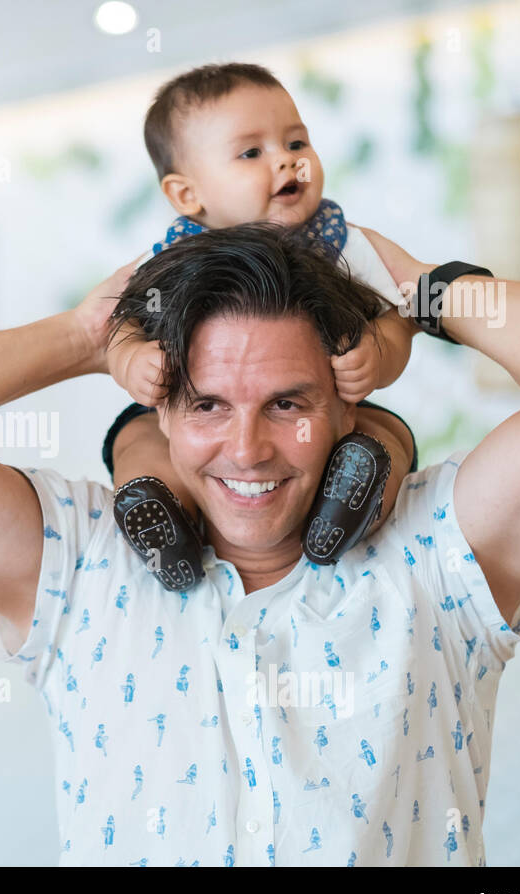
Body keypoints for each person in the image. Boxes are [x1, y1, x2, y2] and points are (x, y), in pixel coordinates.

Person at [0, 222, 520, 866]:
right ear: (159, 409)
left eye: (287, 403)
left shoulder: (437, 554)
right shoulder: (81, 562)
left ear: (345, 407)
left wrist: (425, 294)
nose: (246, 450)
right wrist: (85, 337)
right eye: (208, 405)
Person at [105, 63, 418, 591]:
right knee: (138, 440)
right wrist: (133, 360)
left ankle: (349, 512)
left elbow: (414, 305)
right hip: (181, 413)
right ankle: (161, 516)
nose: (286, 161)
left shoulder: (347, 243)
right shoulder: (169, 261)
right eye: (252, 153)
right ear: (187, 195)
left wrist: (382, 349)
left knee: (383, 438)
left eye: (296, 142)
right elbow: (116, 329)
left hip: (331, 408)